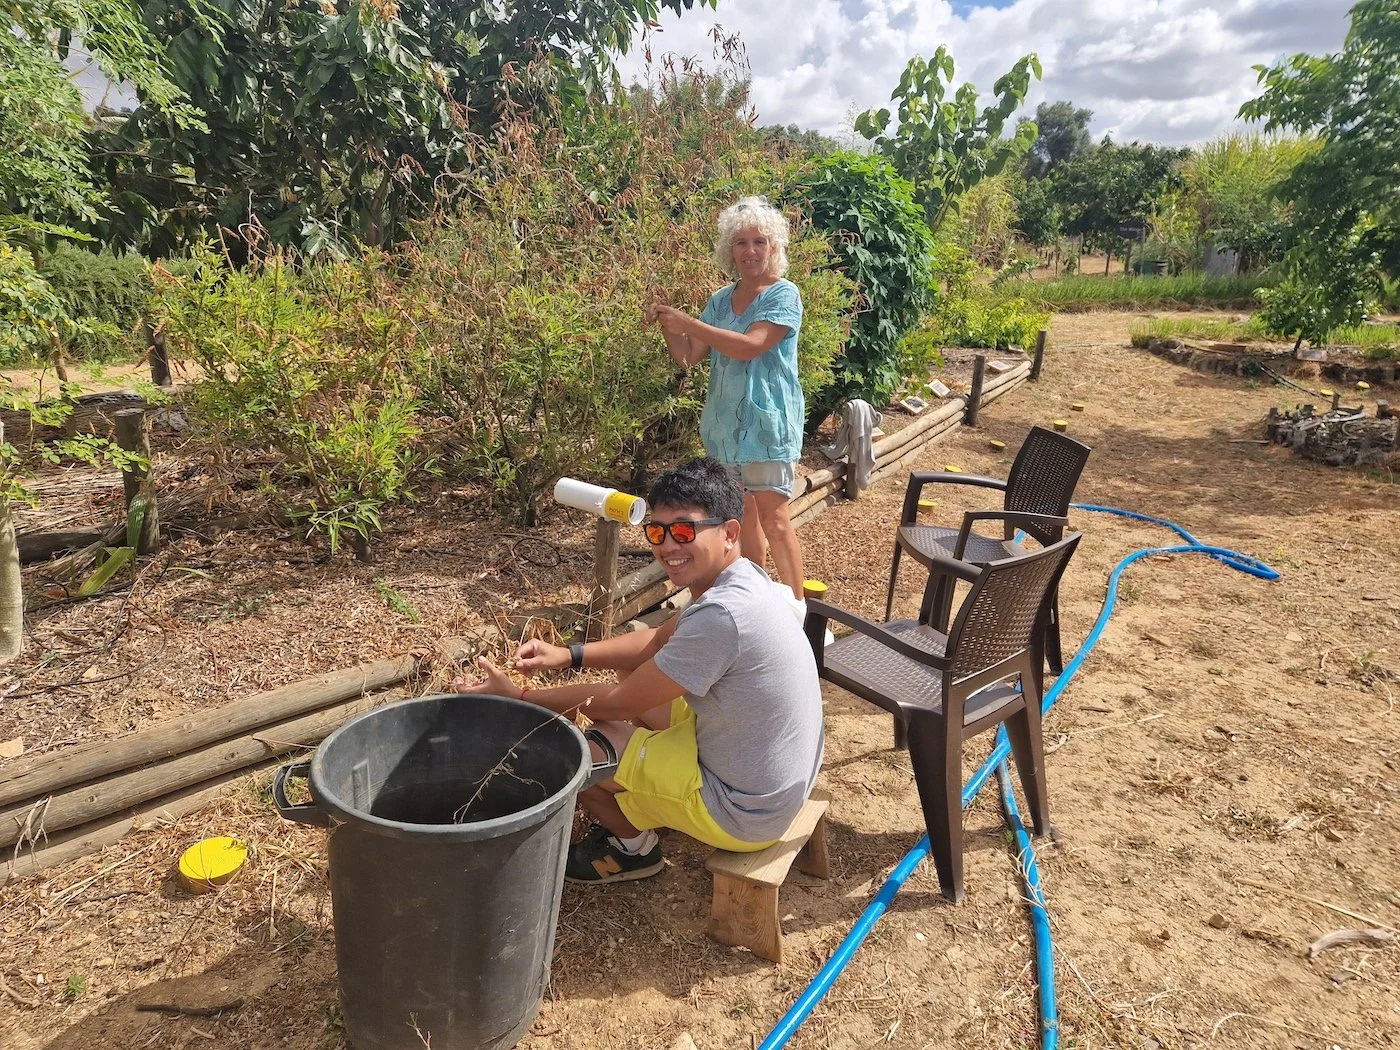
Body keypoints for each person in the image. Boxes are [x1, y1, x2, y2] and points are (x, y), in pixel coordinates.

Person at [454, 457, 824, 884]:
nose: (668, 546)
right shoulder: (745, 579)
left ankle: (633, 850)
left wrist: (518, 699)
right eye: (657, 531)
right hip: (771, 779)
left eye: (685, 530)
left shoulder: (722, 615)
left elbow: (612, 704)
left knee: (578, 748)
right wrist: (569, 654)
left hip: (743, 812)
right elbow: (654, 642)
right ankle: (654, 787)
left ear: (729, 533)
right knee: (636, 673)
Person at [648, 196, 807, 600]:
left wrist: (690, 323)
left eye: (759, 242)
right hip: (724, 427)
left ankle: (797, 610)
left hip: (766, 426)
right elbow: (687, 356)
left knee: (775, 519)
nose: (750, 251)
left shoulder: (783, 294)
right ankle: (754, 598)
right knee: (742, 515)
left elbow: (749, 346)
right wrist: (670, 324)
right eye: (740, 242)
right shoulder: (720, 300)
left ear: (773, 248)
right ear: (729, 250)